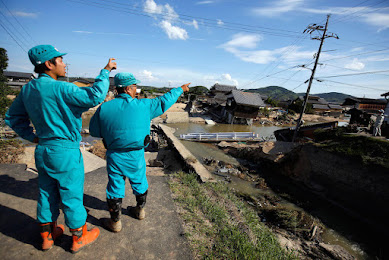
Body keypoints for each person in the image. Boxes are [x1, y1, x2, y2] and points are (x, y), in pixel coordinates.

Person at [5, 44, 117, 253]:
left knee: (46, 192)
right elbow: (95, 96)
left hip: (43, 150)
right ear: (49, 64)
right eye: (61, 60)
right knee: (71, 194)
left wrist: (32, 137)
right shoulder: (63, 88)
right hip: (65, 151)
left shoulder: (28, 89)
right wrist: (105, 71)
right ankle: (79, 237)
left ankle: (47, 236)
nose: (64, 64)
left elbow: (12, 118)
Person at [89, 72, 189, 232]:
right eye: (135, 86)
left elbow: (94, 131)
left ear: (116, 89)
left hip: (115, 155)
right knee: (139, 181)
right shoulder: (145, 106)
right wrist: (180, 89)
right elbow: (164, 100)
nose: (136, 89)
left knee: (115, 186)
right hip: (136, 154)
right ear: (128, 89)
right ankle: (140, 210)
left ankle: (115, 223)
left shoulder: (104, 107)